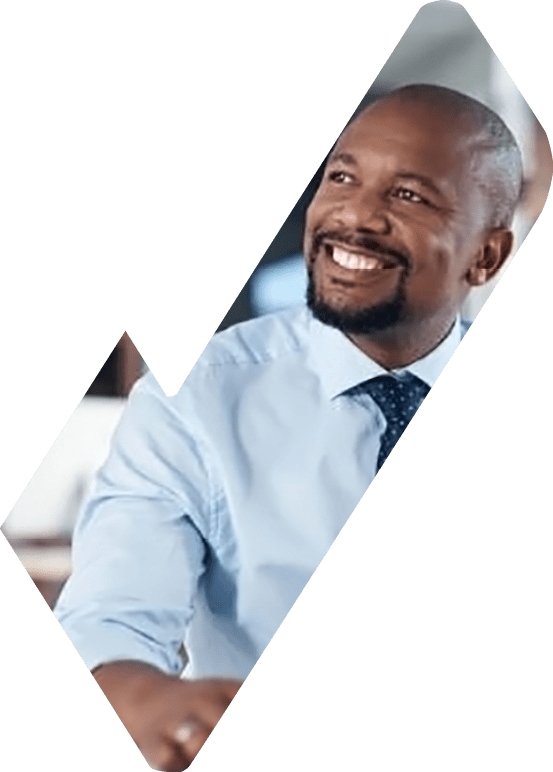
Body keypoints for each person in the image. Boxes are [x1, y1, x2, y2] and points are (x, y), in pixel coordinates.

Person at [54, 84, 522, 771]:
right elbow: (111, 614)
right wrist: (141, 697)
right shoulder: (196, 398)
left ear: (485, 256)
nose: (354, 216)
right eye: (340, 177)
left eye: (409, 196)